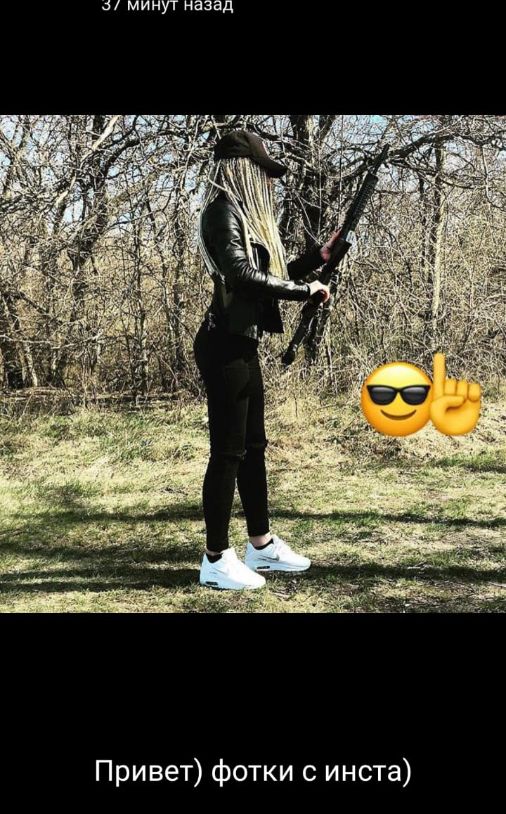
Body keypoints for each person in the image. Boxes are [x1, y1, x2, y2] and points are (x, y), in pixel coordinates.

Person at [194, 130, 338, 590]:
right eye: (263, 172)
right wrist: (304, 291)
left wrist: (317, 258)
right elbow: (241, 275)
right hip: (223, 347)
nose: (269, 182)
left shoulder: (243, 216)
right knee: (228, 452)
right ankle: (215, 559)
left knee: (253, 447)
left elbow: (269, 274)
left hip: (242, 345)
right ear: (242, 169)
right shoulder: (221, 212)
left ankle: (261, 545)